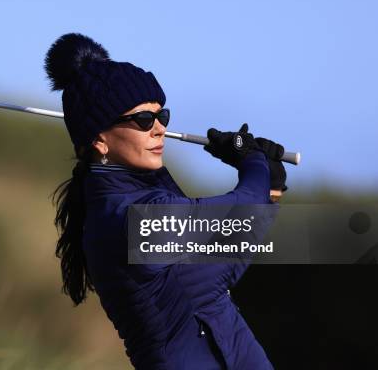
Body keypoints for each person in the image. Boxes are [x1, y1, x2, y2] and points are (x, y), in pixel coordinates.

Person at [46, 33, 287, 370]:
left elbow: (222, 265)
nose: (159, 129)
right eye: (144, 120)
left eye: (163, 117)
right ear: (100, 140)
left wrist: (269, 188)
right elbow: (238, 225)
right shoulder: (128, 218)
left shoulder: (151, 195)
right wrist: (253, 165)